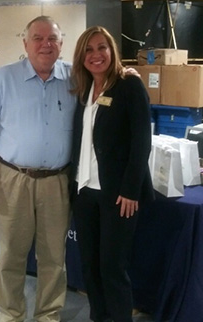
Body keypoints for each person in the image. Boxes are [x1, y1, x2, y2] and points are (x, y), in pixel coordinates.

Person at [0, 16, 76, 322]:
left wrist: (127, 74)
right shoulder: (3, 79)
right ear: (25, 43)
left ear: (61, 44)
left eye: (52, 39)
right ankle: (11, 314)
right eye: (38, 38)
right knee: (11, 255)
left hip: (57, 181)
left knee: (54, 257)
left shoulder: (75, 78)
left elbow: (106, 84)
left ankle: (48, 315)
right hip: (12, 179)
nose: (46, 44)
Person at [69, 26, 155, 322]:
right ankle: (99, 316)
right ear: (81, 57)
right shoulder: (83, 90)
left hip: (117, 194)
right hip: (84, 192)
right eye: (89, 50)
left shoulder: (128, 85)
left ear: (112, 50)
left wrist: (131, 189)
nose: (96, 55)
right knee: (90, 265)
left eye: (102, 47)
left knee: (112, 268)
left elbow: (142, 140)